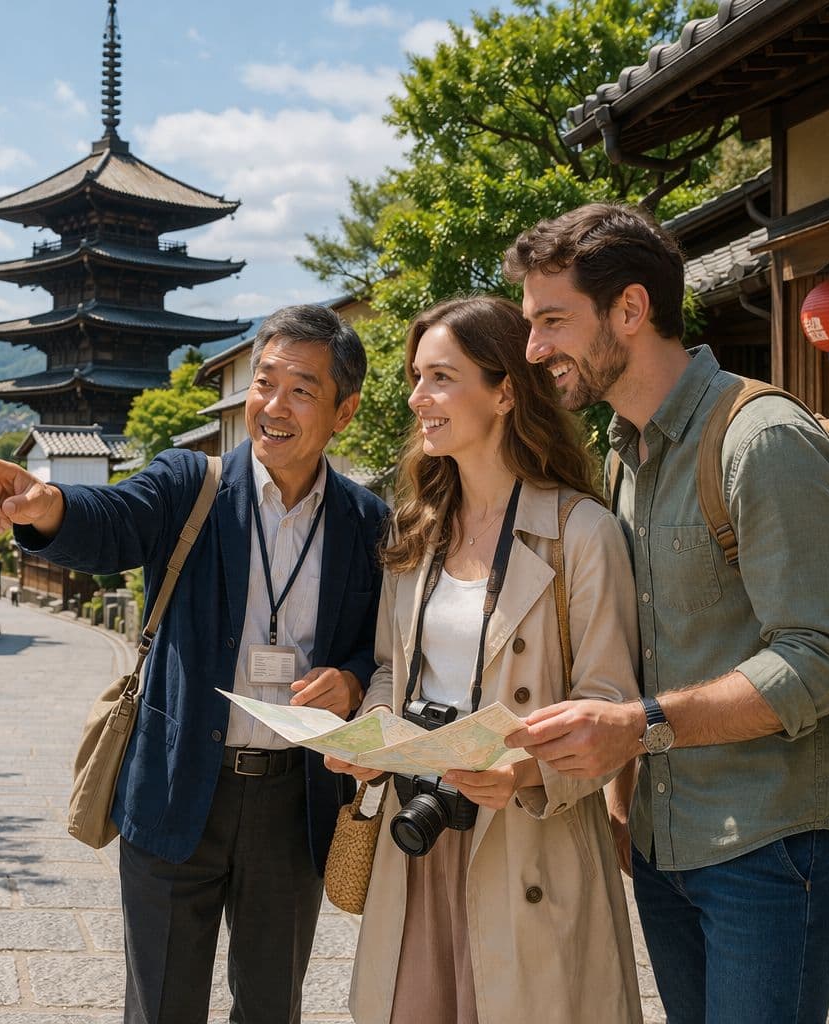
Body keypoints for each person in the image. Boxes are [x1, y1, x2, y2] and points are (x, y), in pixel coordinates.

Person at [0, 304, 387, 1024]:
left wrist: (354, 678)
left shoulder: (366, 523)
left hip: (292, 804)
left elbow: (383, 642)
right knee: (161, 1009)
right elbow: (114, 520)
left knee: (272, 1008)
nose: (272, 406)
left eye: (301, 390)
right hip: (179, 786)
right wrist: (47, 506)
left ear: (344, 412)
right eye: (264, 381)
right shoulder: (193, 484)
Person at [505, 203, 829, 1024]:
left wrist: (637, 727)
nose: (534, 350)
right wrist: (624, 793)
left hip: (774, 846)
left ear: (629, 310)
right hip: (666, 843)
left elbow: (823, 660)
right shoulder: (624, 450)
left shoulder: (762, 439)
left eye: (552, 321)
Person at [325, 295, 642, 1024]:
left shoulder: (581, 533)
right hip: (419, 832)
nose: (416, 398)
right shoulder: (415, 532)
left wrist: (526, 770)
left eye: (440, 377)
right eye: (415, 377)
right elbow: (390, 671)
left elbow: (611, 699)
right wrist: (367, 738)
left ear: (504, 391)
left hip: (526, 836)